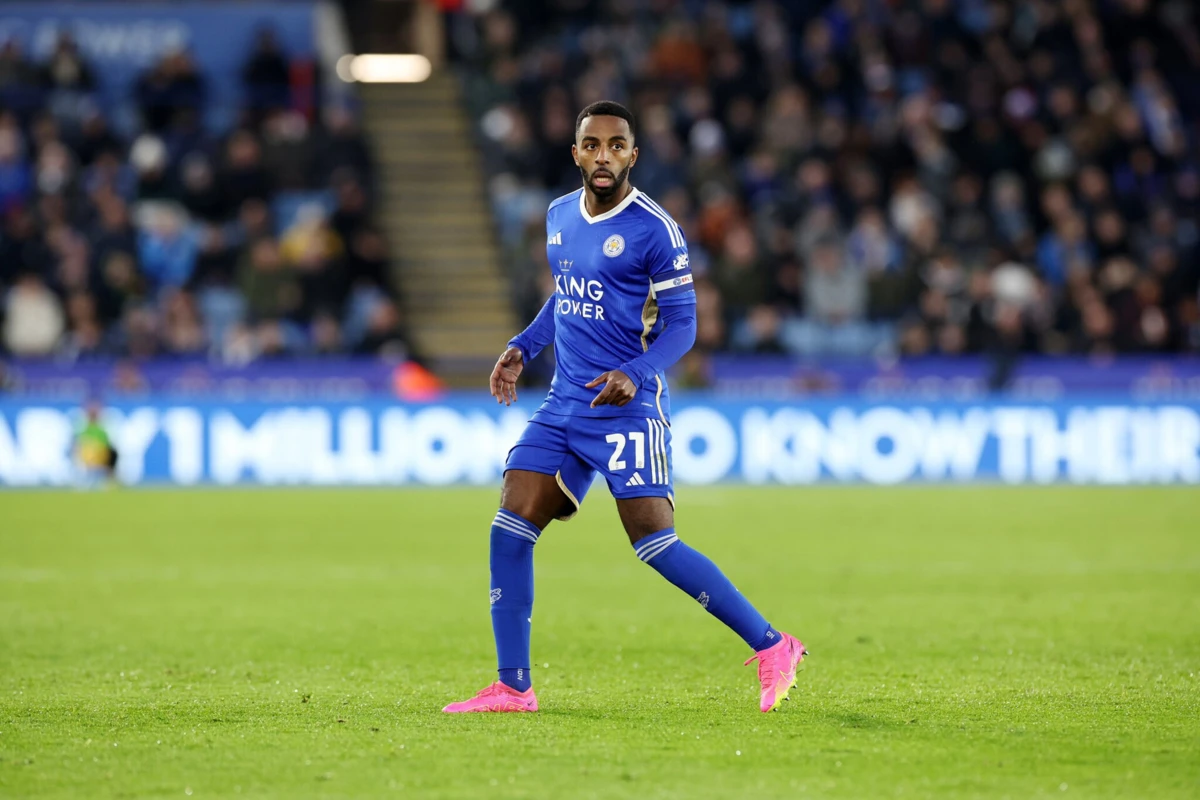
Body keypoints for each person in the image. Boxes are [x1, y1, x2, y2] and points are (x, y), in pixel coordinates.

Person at [443, 101, 806, 715]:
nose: (604, 155)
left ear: (633, 154)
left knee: (654, 543)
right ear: (578, 152)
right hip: (564, 403)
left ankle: (774, 646)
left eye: (617, 145)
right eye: (593, 144)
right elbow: (565, 295)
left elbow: (684, 326)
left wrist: (635, 375)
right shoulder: (559, 215)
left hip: (626, 409)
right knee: (510, 524)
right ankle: (513, 686)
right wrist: (521, 348)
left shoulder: (655, 230)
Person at [74, 400, 118, 487]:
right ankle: (108, 481)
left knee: (112, 453)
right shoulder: (85, 429)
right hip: (90, 458)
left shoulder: (94, 430)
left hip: (94, 458)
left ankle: (106, 480)